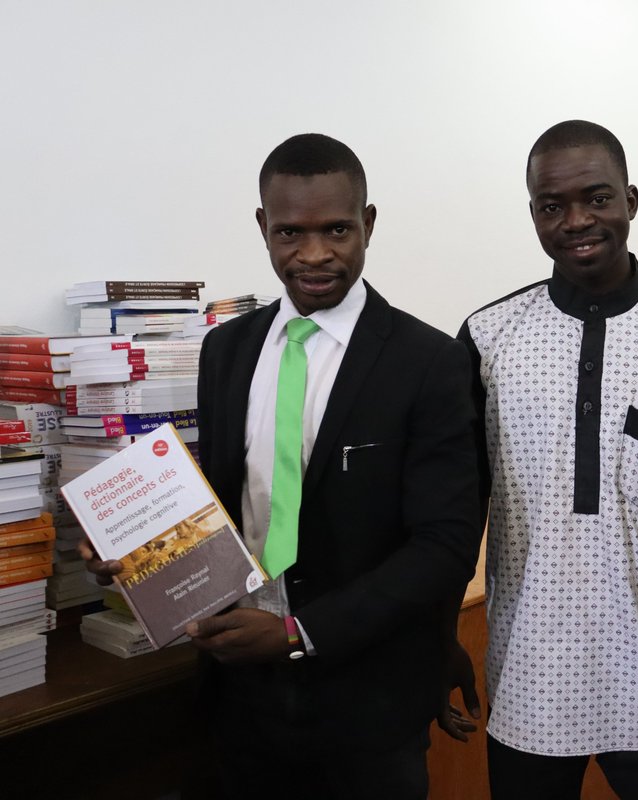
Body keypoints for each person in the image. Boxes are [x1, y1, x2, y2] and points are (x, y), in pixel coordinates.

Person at [81, 133, 481, 799]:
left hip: (368, 701)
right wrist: (135, 548)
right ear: (263, 225)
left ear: (369, 223)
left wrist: (300, 634)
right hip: (241, 692)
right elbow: (220, 504)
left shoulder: (430, 362)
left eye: (337, 230)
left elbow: (444, 546)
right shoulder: (226, 351)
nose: (314, 254)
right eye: (290, 232)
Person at [455, 120, 638, 800]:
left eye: (597, 198)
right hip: (528, 673)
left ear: (631, 200)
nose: (577, 221)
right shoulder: (488, 338)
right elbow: (462, 507)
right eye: (552, 206)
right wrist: (438, 635)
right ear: (533, 213)